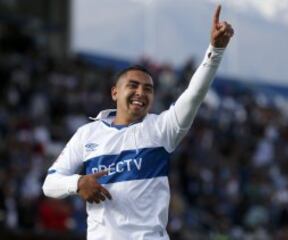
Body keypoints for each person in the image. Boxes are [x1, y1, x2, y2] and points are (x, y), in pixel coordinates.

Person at [42, 5, 234, 240]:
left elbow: (194, 94)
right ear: (114, 92)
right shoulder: (87, 134)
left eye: (148, 89)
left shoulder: (162, 130)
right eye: (133, 86)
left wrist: (215, 51)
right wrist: (78, 183)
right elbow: (50, 183)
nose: (141, 93)